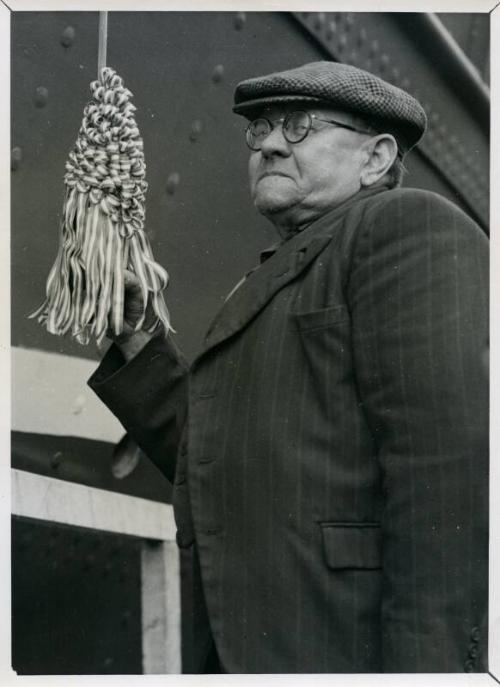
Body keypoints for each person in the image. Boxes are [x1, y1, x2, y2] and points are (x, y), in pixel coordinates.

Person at [89, 61, 489, 674]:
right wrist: (136, 342)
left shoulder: (405, 227)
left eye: (300, 125)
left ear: (376, 158)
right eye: (262, 129)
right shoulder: (282, 272)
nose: (271, 143)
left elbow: (445, 482)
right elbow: (216, 469)